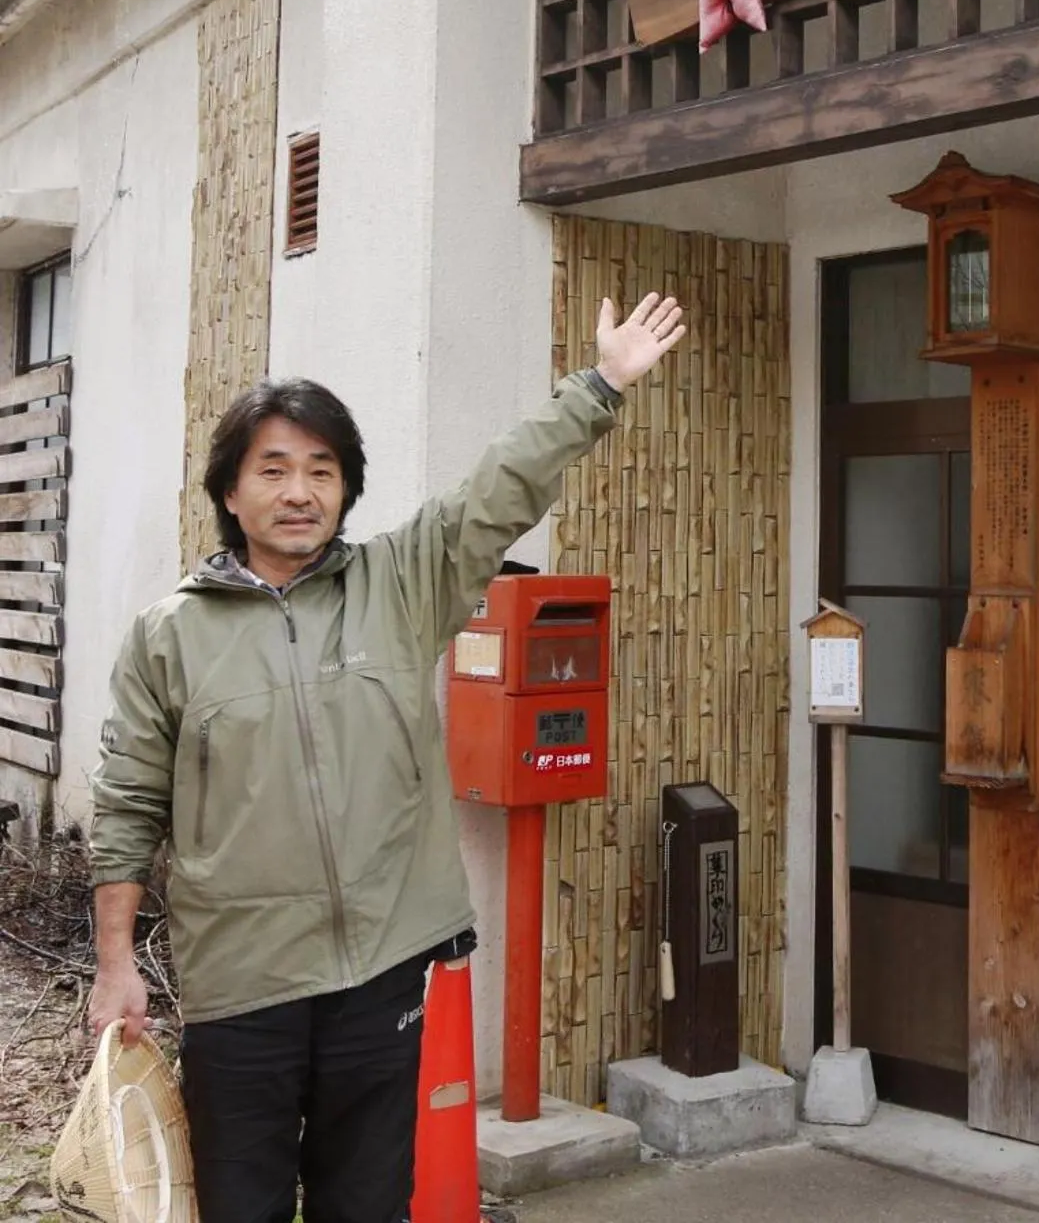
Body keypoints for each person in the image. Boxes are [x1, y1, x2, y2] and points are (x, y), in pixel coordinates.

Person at [86, 293, 687, 1223]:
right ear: (230, 492)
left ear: (346, 487)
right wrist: (114, 960)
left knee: (366, 1203)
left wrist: (600, 384)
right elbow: (127, 803)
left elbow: (499, 490)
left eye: (321, 471)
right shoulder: (171, 634)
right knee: (236, 1206)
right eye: (274, 469)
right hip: (239, 983)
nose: (299, 492)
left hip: (380, 972)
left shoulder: (400, 585)